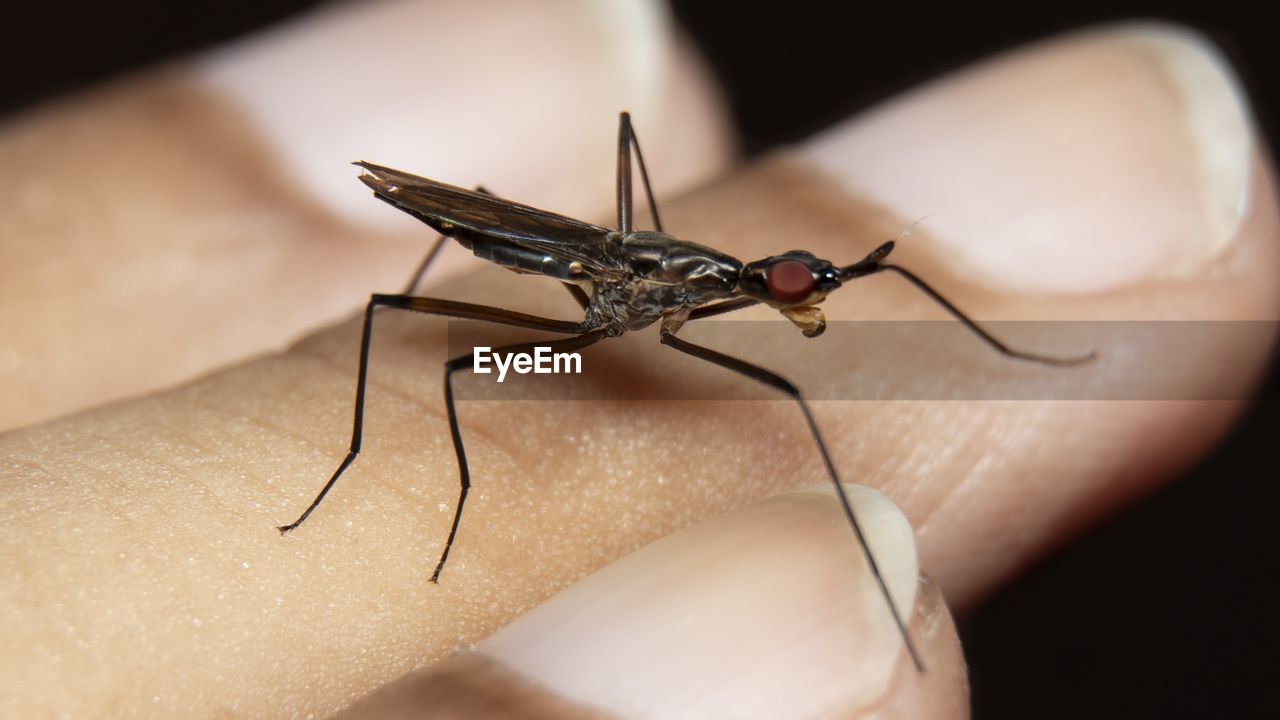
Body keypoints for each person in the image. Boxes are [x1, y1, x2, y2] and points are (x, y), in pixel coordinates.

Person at [0, 2, 1273, 717]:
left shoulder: (743, 290)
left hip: (623, 293)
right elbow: (610, 308)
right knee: (445, 352)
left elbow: (814, 281)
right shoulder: (671, 300)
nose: (800, 294)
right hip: (563, 298)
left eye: (798, 286)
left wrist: (906, 309)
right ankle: (362, 468)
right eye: (795, 284)